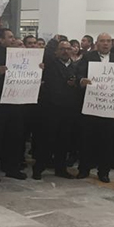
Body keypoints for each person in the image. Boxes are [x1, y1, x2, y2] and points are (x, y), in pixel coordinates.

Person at [76, 32, 114, 183]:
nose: (106, 44)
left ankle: (104, 171)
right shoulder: (88, 57)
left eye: (108, 41)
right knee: (87, 139)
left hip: (110, 107)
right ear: (97, 43)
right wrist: (82, 80)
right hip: (92, 105)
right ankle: (84, 169)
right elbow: (79, 73)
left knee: (107, 141)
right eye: (102, 41)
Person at [0, 26, 28, 181]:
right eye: (9, 37)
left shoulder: (20, 56)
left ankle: (12, 167)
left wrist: (38, 68)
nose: (13, 39)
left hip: (16, 101)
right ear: (1, 40)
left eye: (13, 36)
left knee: (14, 136)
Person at [34, 38, 81, 179]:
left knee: (64, 140)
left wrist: (76, 84)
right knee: (47, 139)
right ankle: (39, 168)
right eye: (62, 49)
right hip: (51, 108)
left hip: (68, 109)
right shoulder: (48, 65)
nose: (65, 51)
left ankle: (61, 168)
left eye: (67, 49)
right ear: (56, 52)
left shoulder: (76, 67)